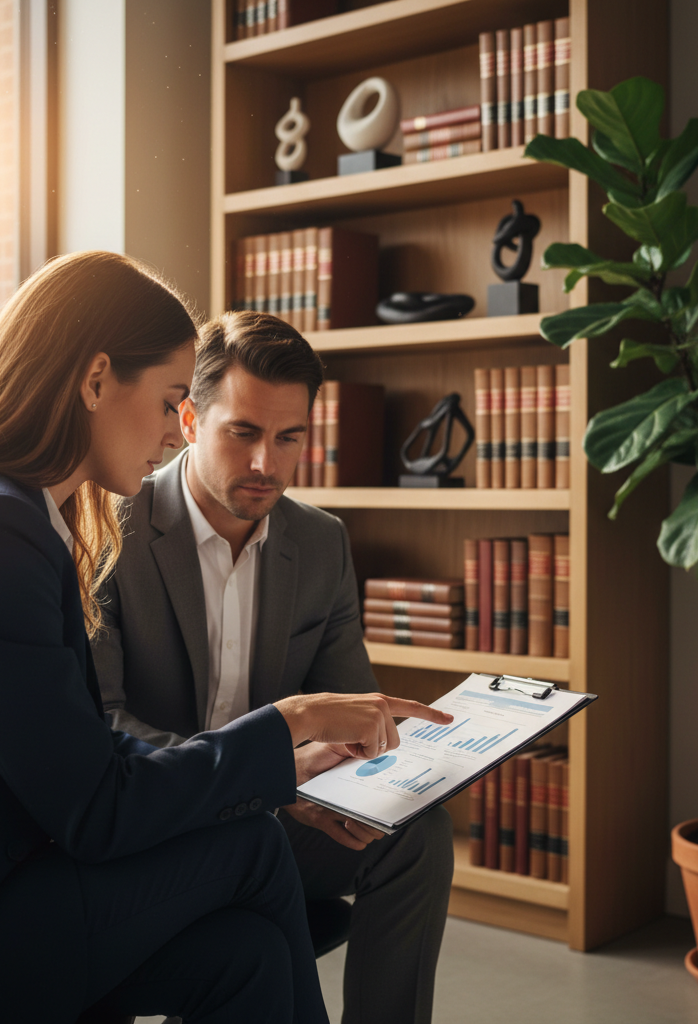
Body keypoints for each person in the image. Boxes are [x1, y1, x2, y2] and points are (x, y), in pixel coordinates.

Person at [0, 252, 452, 1024]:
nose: (172, 435)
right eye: (171, 400)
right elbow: (95, 804)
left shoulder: (10, 515)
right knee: (251, 847)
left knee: (245, 954)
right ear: (96, 379)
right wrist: (287, 726)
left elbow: (80, 764)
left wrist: (287, 749)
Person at [93, 310, 456, 1024]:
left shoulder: (320, 543)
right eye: (244, 433)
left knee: (418, 833)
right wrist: (262, 776)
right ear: (191, 419)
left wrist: (376, 765)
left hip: (277, 808)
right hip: (158, 819)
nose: (267, 463)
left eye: (289, 438)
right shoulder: (111, 526)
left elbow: (351, 709)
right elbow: (100, 722)